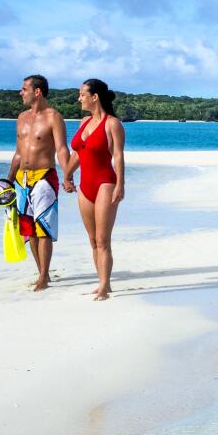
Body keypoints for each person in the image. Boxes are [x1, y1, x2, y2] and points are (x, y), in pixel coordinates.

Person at [62, 78, 125, 301]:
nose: (79, 98)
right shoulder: (83, 123)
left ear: (94, 97)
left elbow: (118, 156)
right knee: (92, 240)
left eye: (82, 94)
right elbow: (78, 153)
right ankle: (101, 280)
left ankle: (104, 285)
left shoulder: (112, 124)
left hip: (105, 183)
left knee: (102, 239)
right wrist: (67, 175)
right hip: (85, 185)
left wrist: (120, 184)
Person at [7, 74, 69, 291]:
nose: (20, 92)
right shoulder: (21, 117)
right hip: (21, 180)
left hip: (44, 177)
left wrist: (68, 174)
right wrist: (8, 180)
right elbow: (17, 153)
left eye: (24, 89)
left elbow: (62, 148)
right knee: (29, 230)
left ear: (37, 91)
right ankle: (41, 271)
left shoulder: (54, 117)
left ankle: (44, 276)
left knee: (43, 228)